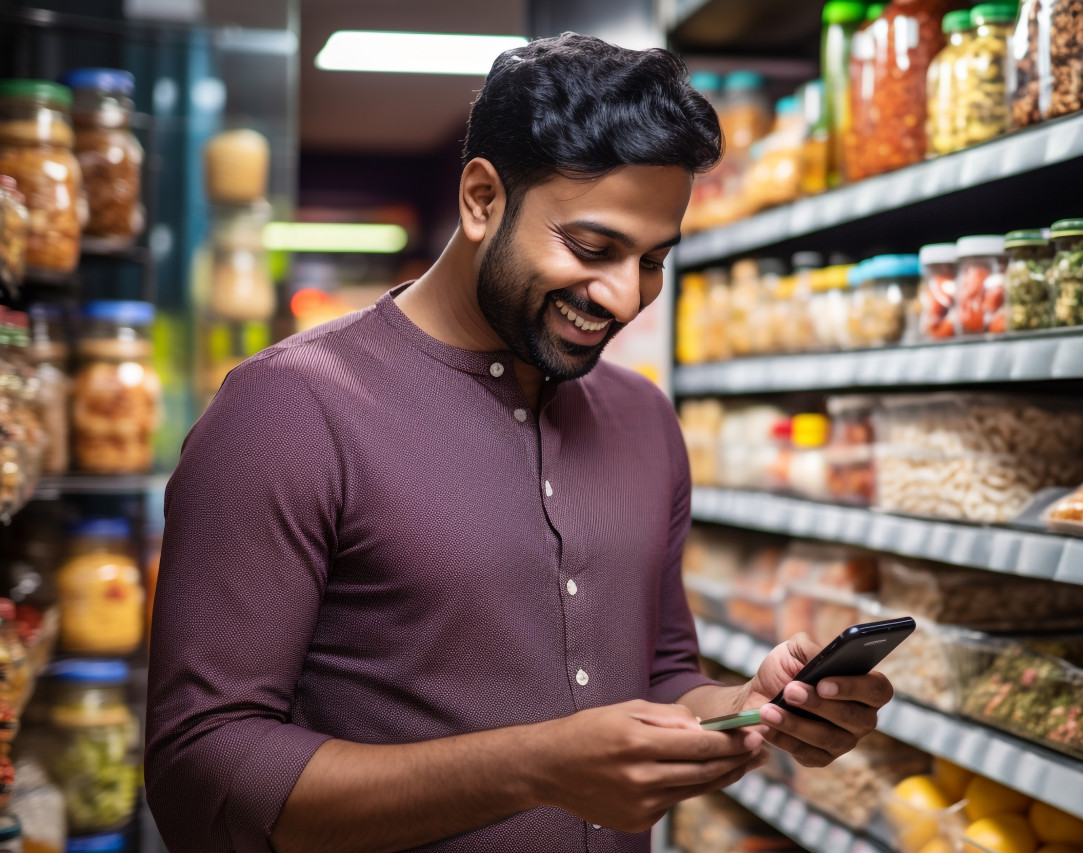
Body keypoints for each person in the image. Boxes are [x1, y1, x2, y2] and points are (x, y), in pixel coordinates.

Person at [145, 33, 893, 853]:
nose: (622, 297)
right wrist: (531, 767)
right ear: (480, 199)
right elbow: (201, 772)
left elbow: (664, 680)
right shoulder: (286, 411)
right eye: (592, 248)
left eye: (653, 260)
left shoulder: (645, 423)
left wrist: (751, 706)